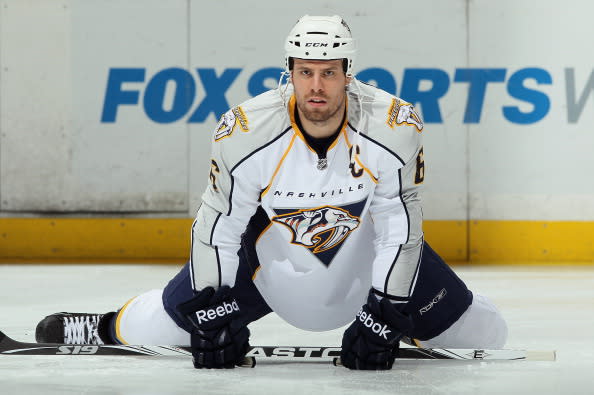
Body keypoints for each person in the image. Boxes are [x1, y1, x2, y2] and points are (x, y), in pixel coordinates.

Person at [35, 15, 507, 370]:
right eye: (306, 72)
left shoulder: (393, 124)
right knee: (154, 327)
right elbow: (217, 225)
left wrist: (389, 312)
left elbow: (399, 229)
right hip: (268, 263)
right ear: (289, 72)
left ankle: (414, 328)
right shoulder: (245, 130)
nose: (316, 87)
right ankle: (103, 324)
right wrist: (209, 310)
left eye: (328, 72)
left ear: (348, 72)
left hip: (367, 260)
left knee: (486, 333)